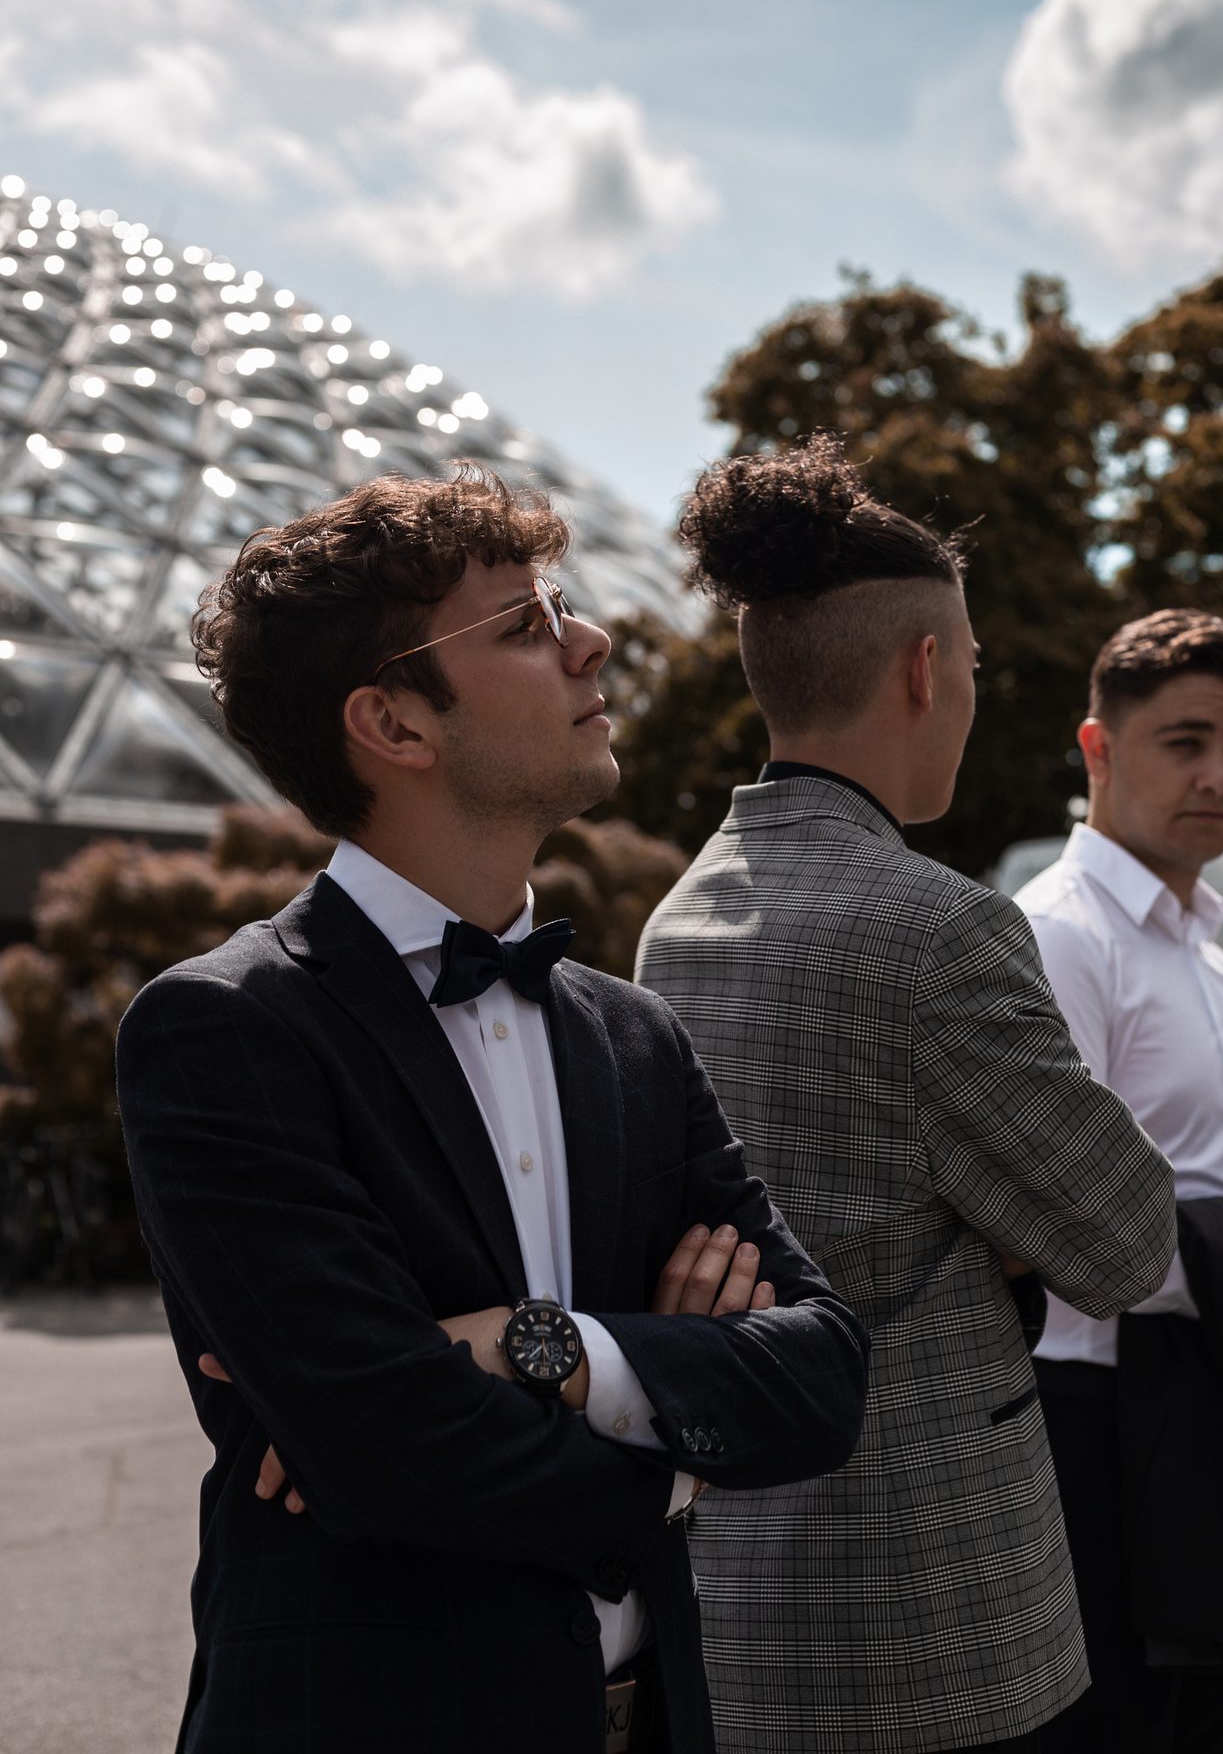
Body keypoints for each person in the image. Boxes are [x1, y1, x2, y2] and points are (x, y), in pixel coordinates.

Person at [115, 467, 870, 1754]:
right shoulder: (225, 1028)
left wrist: (539, 1348)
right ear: (395, 724)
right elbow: (383, 1440)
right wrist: (675, 1432)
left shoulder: (632, 1031)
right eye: (523, 626)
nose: (595, 639)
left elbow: (822, 1374)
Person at [634, 439, 1177, 1754]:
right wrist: (993, 1235)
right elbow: (1124, 1240)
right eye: (977, 669)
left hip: (739, 1572)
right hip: (936, 1592)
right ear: (926, 670)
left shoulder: (673, 922)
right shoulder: (938, 932)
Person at [1014, 608, 1223, 1754]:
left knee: (1216, 1712)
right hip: (1100, 1417)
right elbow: (1054, 1214)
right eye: (1184, 741)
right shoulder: (1056, 937)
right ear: (1097, 749)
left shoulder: (1213, 959)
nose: (1218, 775)